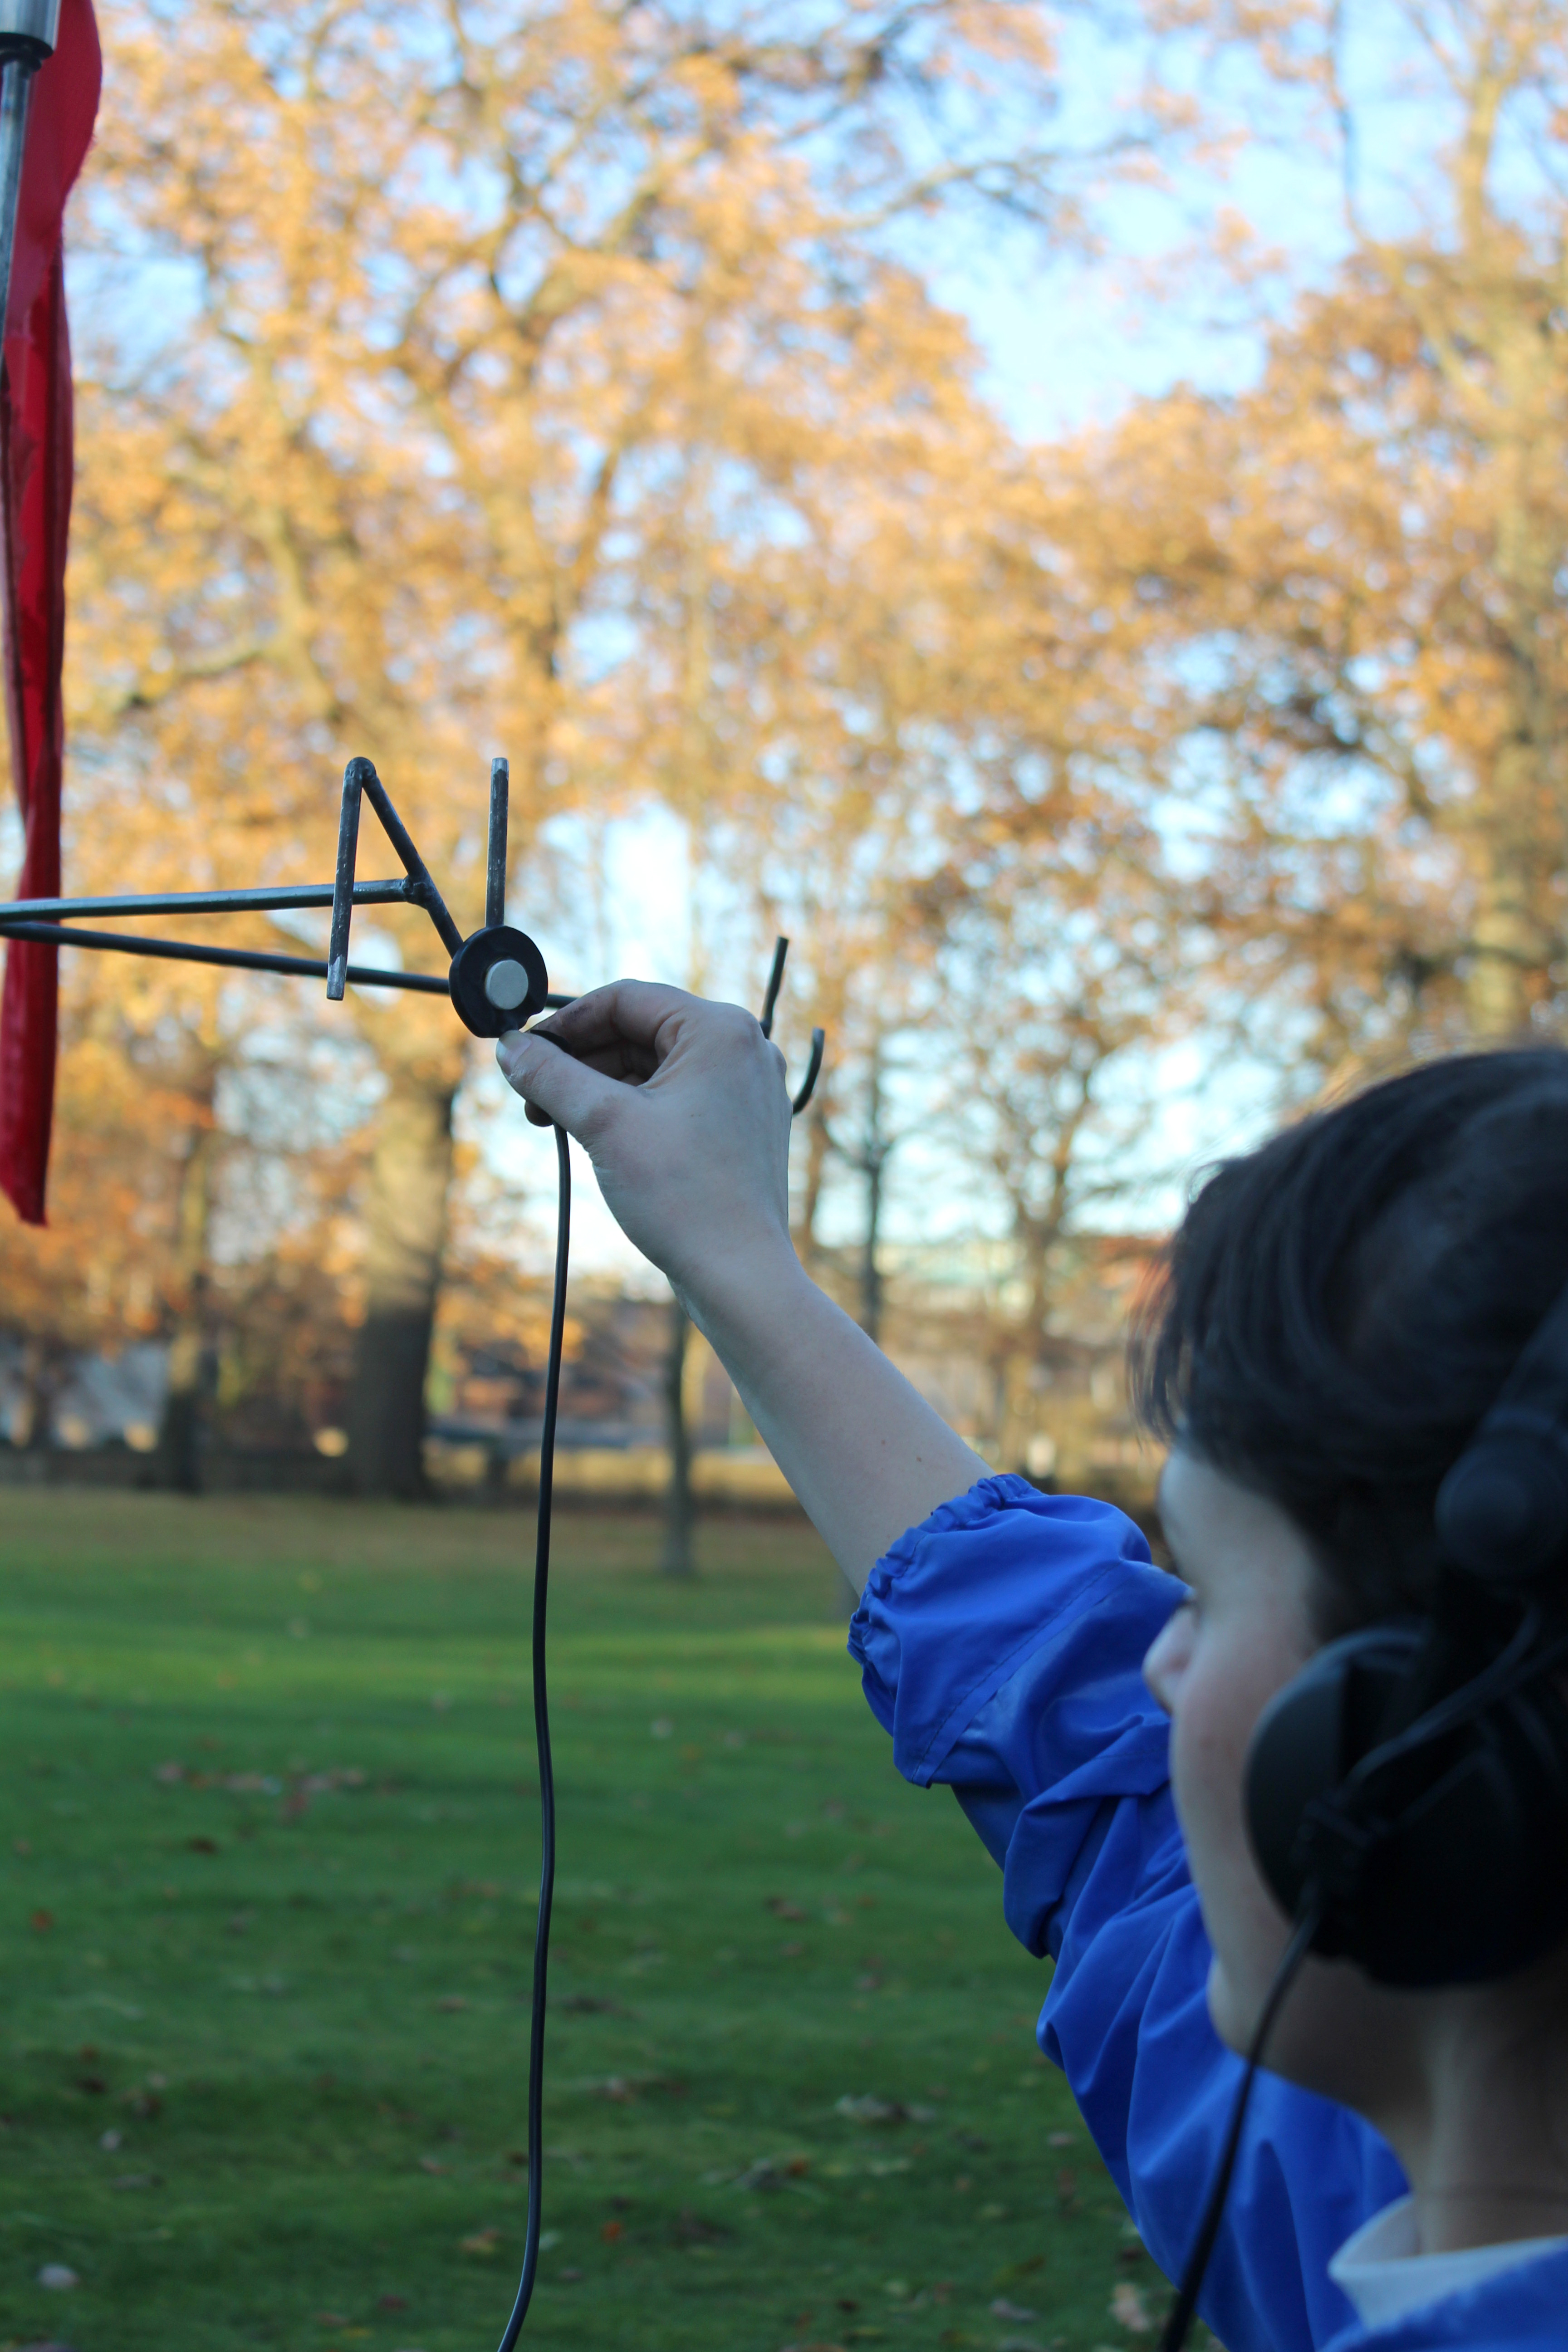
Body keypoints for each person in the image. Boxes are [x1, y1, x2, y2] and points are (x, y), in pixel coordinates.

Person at [497, 984, 1568, 2352]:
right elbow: (1080, 1728)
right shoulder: (1357, 2155)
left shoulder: (1310, 2165)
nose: (1159, 1665)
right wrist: (730, 1249)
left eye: (1211, 1592)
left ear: (1425, 1764)